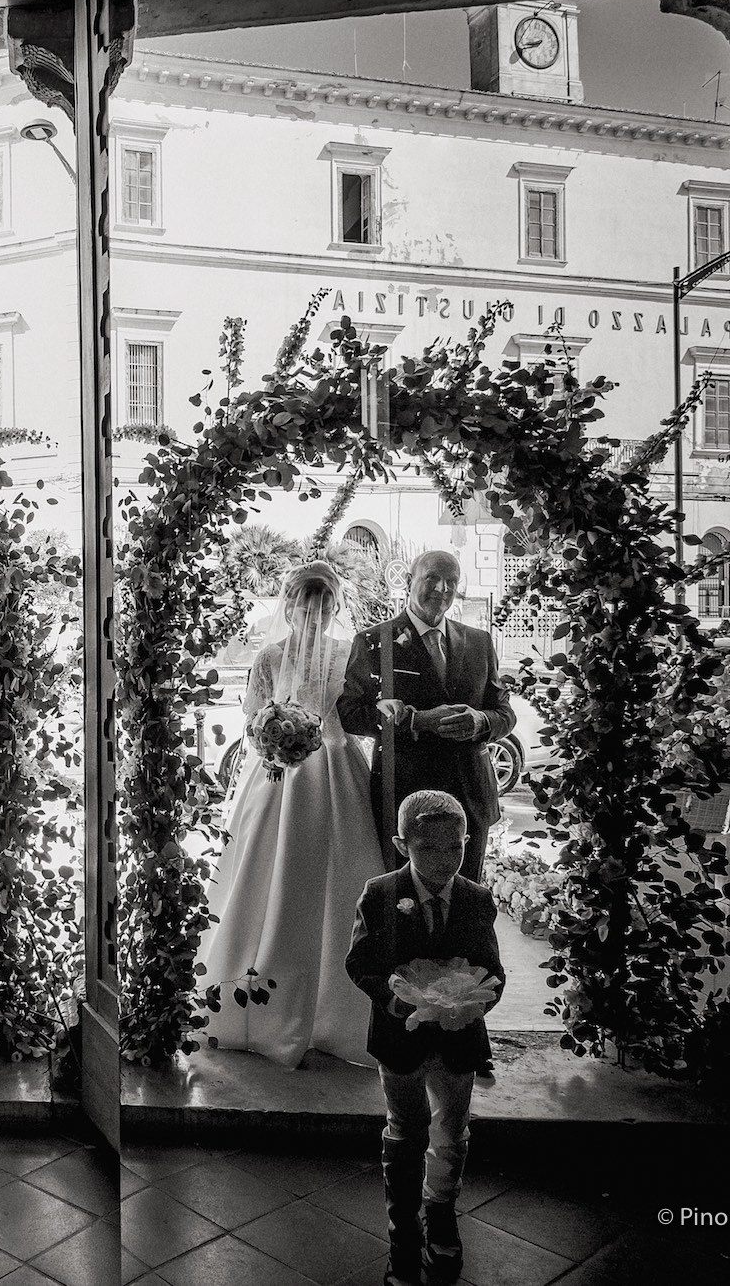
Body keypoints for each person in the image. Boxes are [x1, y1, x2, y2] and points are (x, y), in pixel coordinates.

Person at [199, 560, 388, 1069]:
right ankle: (260, 993)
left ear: (334, 607)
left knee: (341, 877)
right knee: (267, 872)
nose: (317, 613)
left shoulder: (349, 654)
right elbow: (253, 719)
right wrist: (275, 739)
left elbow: (355, 714)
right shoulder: (269, 656)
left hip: (336, 771)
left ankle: (337, 1005)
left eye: (326, 604)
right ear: (291, 605)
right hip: (278, 774)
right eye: (308, 603)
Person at [345, 790, 505, 1286]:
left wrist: (472, 1002)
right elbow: (360, 963)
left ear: (467, 842)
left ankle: (441, 1211)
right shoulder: (380, 893)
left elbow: (492, 970)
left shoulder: (477, 898)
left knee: (452, 1129)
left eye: (455, 848)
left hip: (459, 1040)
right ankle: (402, 1226)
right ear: (401, 844)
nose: (444, 860)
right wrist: (397, 1000)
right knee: (406, 1128)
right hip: (401, 1038)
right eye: (429, 849)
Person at [337, 550, 514, 884]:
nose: (442, 588)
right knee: (405, 904)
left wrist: (482, 722)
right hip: (404, 795)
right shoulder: (375, 641)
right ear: (409, 581)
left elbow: (504, 712)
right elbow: (351, 714)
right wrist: (417, 721)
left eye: (452, 580)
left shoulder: (479, 641)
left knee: (466, 901)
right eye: (432, 577)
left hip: (469, 793)